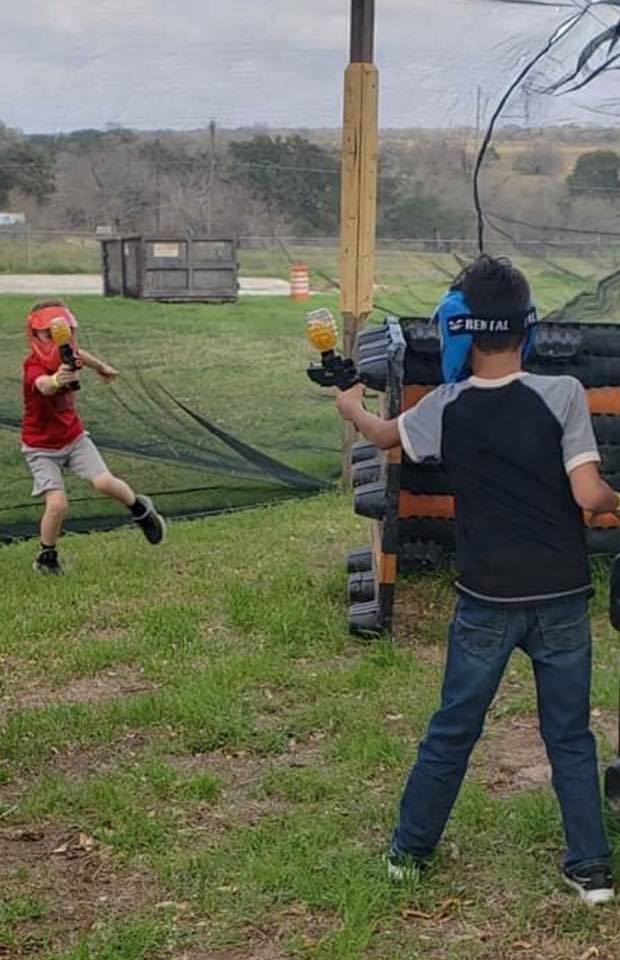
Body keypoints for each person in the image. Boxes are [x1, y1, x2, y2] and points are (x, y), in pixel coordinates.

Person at [335, 255, 618, 906]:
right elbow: (588, 494)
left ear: (462, 330)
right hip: (563, 599)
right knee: (569, 735)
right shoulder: (564, 395)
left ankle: (408, 854)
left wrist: (347, 401)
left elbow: (381, 435)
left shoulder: (445, 406)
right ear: (529, 329)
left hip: (487, 600)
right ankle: (591, 872)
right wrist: (615, 499)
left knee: (454, 730)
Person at [21, 299, 166, 574]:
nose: (56, 341)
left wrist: (101, 367)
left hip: (73, 438)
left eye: (62, 333)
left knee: (104, 482)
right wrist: (56, 381)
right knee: (57, 504)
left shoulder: (68, 353)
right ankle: (46, 557)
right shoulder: (33, 368)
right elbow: (42, 385)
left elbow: (79, 354)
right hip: (40, 447)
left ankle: (142, 511)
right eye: (47, 335)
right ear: (34, 335)